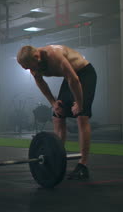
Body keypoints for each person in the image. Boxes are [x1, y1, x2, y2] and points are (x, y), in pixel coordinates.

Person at [16, 45, 97, 180]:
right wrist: (53, 103)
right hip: (70, 78)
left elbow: (75, 80)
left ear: (37, 57)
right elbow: (40, 82)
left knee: (81, 116)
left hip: (84, 74)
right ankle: (56, 157)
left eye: (30, 66)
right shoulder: (33, 64)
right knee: (58, 115)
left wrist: (79, 103)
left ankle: (83, 165)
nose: (31, 71)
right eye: (26, 68)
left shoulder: (55, 55)